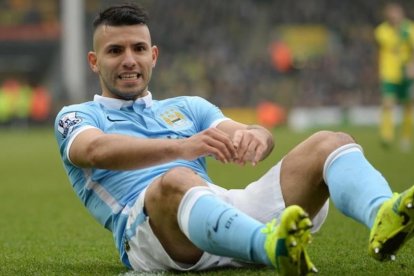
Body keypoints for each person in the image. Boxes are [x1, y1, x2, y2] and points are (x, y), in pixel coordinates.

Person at [54, 4, 414, 274]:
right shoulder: (78, 116)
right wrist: (182, 148)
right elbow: (95, 150)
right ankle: (272, 247)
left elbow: (246, 131)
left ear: (154, 55)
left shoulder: (187, 106)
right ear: (93, 61)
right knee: (176, 179)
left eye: (138, 48)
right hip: (154, 233)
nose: (129, 60)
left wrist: (257, 136)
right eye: (115, 51)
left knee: (330, 141)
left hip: (217, 211)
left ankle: (381, 214)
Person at [374, 2, 414, 151]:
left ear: (401, 13)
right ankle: (387, 136)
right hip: (389, 73)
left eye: (396, 12)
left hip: (406, 73)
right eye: (390, 13)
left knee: (408, 106)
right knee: (387, 103)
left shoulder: (409, 29)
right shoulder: (381, 31)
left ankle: (406, 137)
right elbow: (379, 51)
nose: (393, 15)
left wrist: (412, 64)